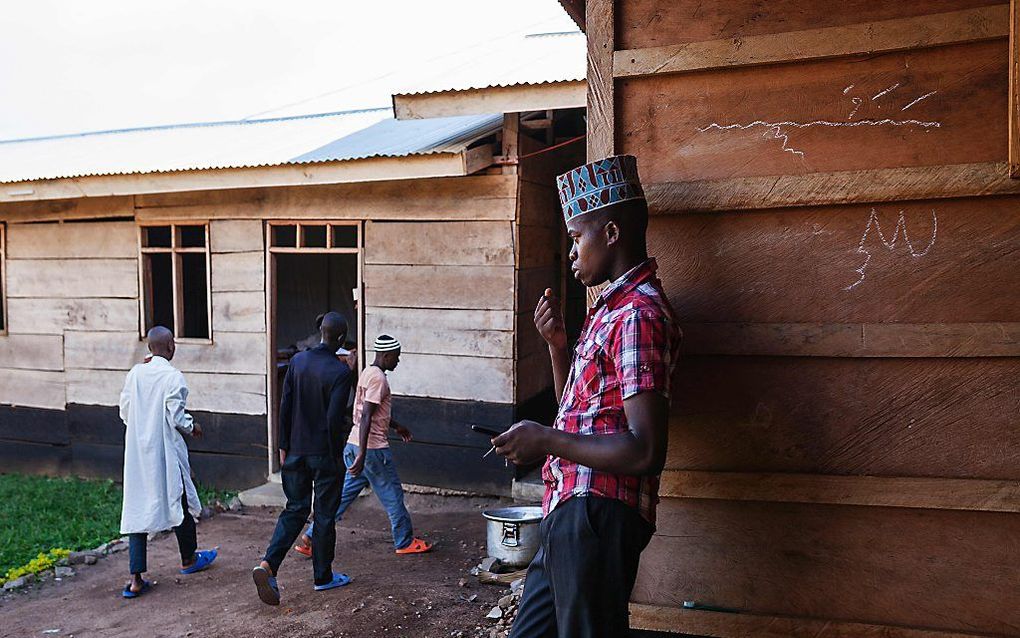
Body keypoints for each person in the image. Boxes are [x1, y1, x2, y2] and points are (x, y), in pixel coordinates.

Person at [492, 155, 682, 638]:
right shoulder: (608, 312)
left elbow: (644, 450)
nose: (571, 252)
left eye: (577, 237)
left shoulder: (639, 314)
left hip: (597, 513)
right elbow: (576, 419)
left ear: (612, 233)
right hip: (569, 509)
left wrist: (546, 441)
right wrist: (559, 348)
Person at [253, 312, 355, 606]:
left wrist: (284, 445)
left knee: (295, 509)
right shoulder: (340, 373)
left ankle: (268, 564)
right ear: (340, 339)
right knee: (324, 514)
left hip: (295, 451)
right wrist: (338, 456)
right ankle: (323, 577)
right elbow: (334, 421)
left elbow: (285, 405)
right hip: (324, 455)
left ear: (321, 332)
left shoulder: (298, 362)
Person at [297, 335, 432, 556]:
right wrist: (362, 454)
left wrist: (396, 426)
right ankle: (404, 541)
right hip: (371, 449)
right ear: (386, 356)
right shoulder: (379, 378)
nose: (398, 361)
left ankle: (312, 536)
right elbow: (367, 416)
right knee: (393, 495)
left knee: (341, 497)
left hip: (353, 444)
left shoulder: (367, 373)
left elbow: (370, 413)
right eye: (396, 357)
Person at [118, 326, 218, 599]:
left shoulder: (135, 373)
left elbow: (125, 411)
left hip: (138, 450)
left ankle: (136, 578)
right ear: (170, 346)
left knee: (136, 504)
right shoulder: (173, 377)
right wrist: (193, 426)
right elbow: (176, 416)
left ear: (149, 348)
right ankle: (189, 559)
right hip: (163, 449)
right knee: (178, 496)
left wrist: (143, 424)